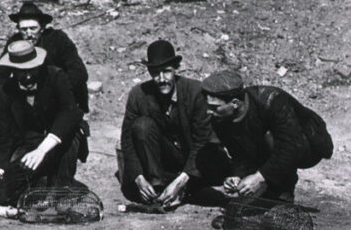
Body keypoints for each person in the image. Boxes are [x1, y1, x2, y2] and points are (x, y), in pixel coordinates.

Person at [117, 40, 227, 207]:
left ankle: (184, 186)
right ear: (149, 71)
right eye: (155, 73)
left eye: (167, 72)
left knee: (210, 164)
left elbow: (203, 141)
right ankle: (158, 187)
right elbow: (127, 141)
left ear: (176, 69)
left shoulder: (196, 92)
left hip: (197, 159)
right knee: (142, 126)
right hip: (167, 159)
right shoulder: (138, 95)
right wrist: (138, 177)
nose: (161, 79)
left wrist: (181, 181)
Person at [202, 70, 333, 203]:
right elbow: (237, 153)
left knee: (269, 137)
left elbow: (292, 146)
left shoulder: (272, 100)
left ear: (235, 103)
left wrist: (261, 177)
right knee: (255, 144)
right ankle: (269, 189)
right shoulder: (219, 118)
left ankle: (283, 192)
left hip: (309, 145)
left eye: (214, 107)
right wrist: (237, 176)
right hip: (278, 147)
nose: (208, 111)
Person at [0, 41, 83, 207]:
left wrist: (42, 149)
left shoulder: (56, 77)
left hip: (60, 139)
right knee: (3, 196)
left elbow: (70, 113)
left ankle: (58, 188)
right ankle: (40, 182)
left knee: (58, 198)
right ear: (13, 71)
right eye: (21, 72)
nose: (28, 76)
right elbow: (4, 136)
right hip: (30, 144)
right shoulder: (6, 91)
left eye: (31, 70)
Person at [0, 1, 89, 112]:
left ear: (42, 28)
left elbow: (78, 73)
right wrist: (11, 96)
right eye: (24, 29)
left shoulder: (58, 39)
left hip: (59, 96)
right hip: (29, 98)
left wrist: (56, 92)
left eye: (33, 28)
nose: (29, 33)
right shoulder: (16, 43)